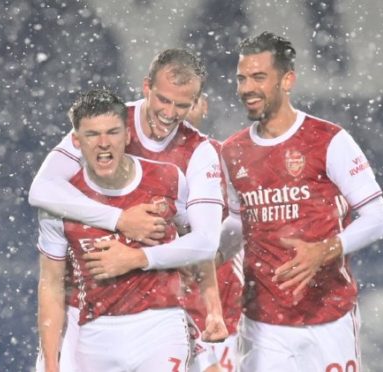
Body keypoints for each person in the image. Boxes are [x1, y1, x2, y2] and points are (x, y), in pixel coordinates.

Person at [30, 49, 228, 370]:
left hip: (156, 314)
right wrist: (120, 220)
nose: (169, 113)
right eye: (164, 100)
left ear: (195, 103)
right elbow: (42, 189)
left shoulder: (198, 153)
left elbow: (204, 242)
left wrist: (211, 308)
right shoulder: (107, 126)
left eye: (182, 105)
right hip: (82, 311)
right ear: (146, 87)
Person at [218, 31, 383, 371]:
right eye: (241, 79)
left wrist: (324, 250)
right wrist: (208, 256)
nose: (247, 88)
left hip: (327, 316)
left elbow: (378, 218)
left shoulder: (329, 140)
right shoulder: (232, 152)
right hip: (263, 323)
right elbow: (239, 222)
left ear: (287, 80)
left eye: (258, 77)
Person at [38, 88, 196, 371]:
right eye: (91, 135)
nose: (103, 143)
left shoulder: (168, 179)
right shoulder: (58, 200)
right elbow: (51, 283)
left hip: (159, 326)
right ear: (76, 141)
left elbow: (198, 242)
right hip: (91, 332)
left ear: (127, 135)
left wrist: (209, 310)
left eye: (112, 132)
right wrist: (50, 362)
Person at [180, 93, 243, 372]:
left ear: (203, 105)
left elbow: (249, 221)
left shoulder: (225, 159)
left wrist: (213, 257)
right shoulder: (137, 165)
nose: (177, 112)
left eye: (187, 103)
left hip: (229, 318)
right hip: (167, 319)